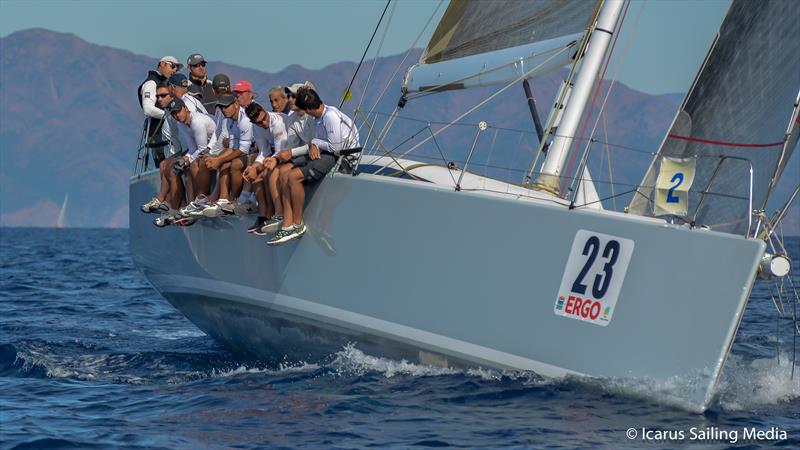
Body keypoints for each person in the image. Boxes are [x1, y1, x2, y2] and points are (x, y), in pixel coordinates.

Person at [268, 87, 359, 245]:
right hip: (329, 152)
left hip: (343, 155)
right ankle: (287, 223)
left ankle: (298, 224)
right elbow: (321, 143)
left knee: (293, 177)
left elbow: (336, 148)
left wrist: (316, 143)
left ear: (309, 108)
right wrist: (314, 144)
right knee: (286, 174)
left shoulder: (330, 116)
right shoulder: (319, 117)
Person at [243, 102, 288, 234]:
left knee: (266, 173)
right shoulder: (256, 126)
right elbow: (264, 151)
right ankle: (264, 216)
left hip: (286, 152)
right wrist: (254, 167)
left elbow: (279, 153)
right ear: (253, 122)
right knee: (255, 176)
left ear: (264, 110)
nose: (263, 123)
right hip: (275, 155)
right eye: (259, 122)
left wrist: (260, 168)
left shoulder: (278, 123)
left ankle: (278, 214)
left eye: (264, 118)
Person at [138, 56, 181, 168]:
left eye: (177, 68)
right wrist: (170, 116)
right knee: (165, 168)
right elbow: (148, 109)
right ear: (162, 64)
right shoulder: (151, 83)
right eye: (172, 66)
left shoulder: (166, 83)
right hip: (158, 136)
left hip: (171, 134)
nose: (174, 70)